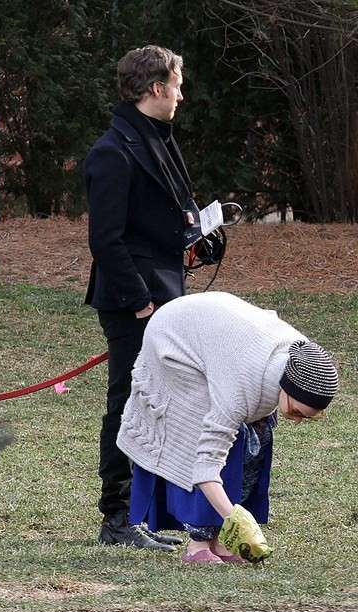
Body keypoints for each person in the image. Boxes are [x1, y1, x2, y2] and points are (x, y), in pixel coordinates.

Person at [117, 291, 340, 563]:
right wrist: (235, 518)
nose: (296, 420)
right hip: (174, 337)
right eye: (296, 411)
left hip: (216, 336)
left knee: (254, 439)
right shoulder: (240, 389)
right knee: (199, 435)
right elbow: (205, 466)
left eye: (307, 417)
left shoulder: (298, 360)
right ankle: (197, 546)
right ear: (288, 388)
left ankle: (222, 542)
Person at [84, 45, 193, 549]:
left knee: (160, 402)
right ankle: (118, 518)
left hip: (166, 293)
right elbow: (106, 239)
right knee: (128, 403)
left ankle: (150, 514)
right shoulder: (113, 150)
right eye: (176, 83)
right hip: (134, 301)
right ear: (155, 88)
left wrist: (197, 237)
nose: (180, 93)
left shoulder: (158, 138)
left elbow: (161, 216)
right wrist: (139, 301)